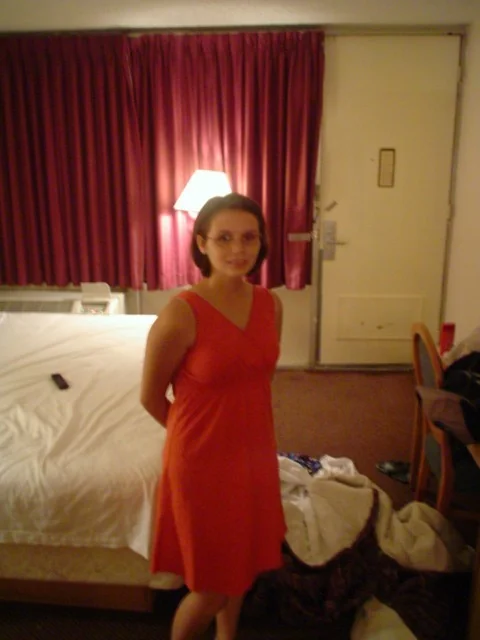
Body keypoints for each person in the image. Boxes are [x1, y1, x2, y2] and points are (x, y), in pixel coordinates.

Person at [140, 192, 287, 640]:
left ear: (261, 242)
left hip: (255, 454)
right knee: (209, 588)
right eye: (224, 238)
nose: (238, 249)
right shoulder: (181, 314)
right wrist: (200, 444)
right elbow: (150, 397)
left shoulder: (271, 304)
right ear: (202, 243)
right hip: (201, 463)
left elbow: (259, 379)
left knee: (240, 567)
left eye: (249, 237)